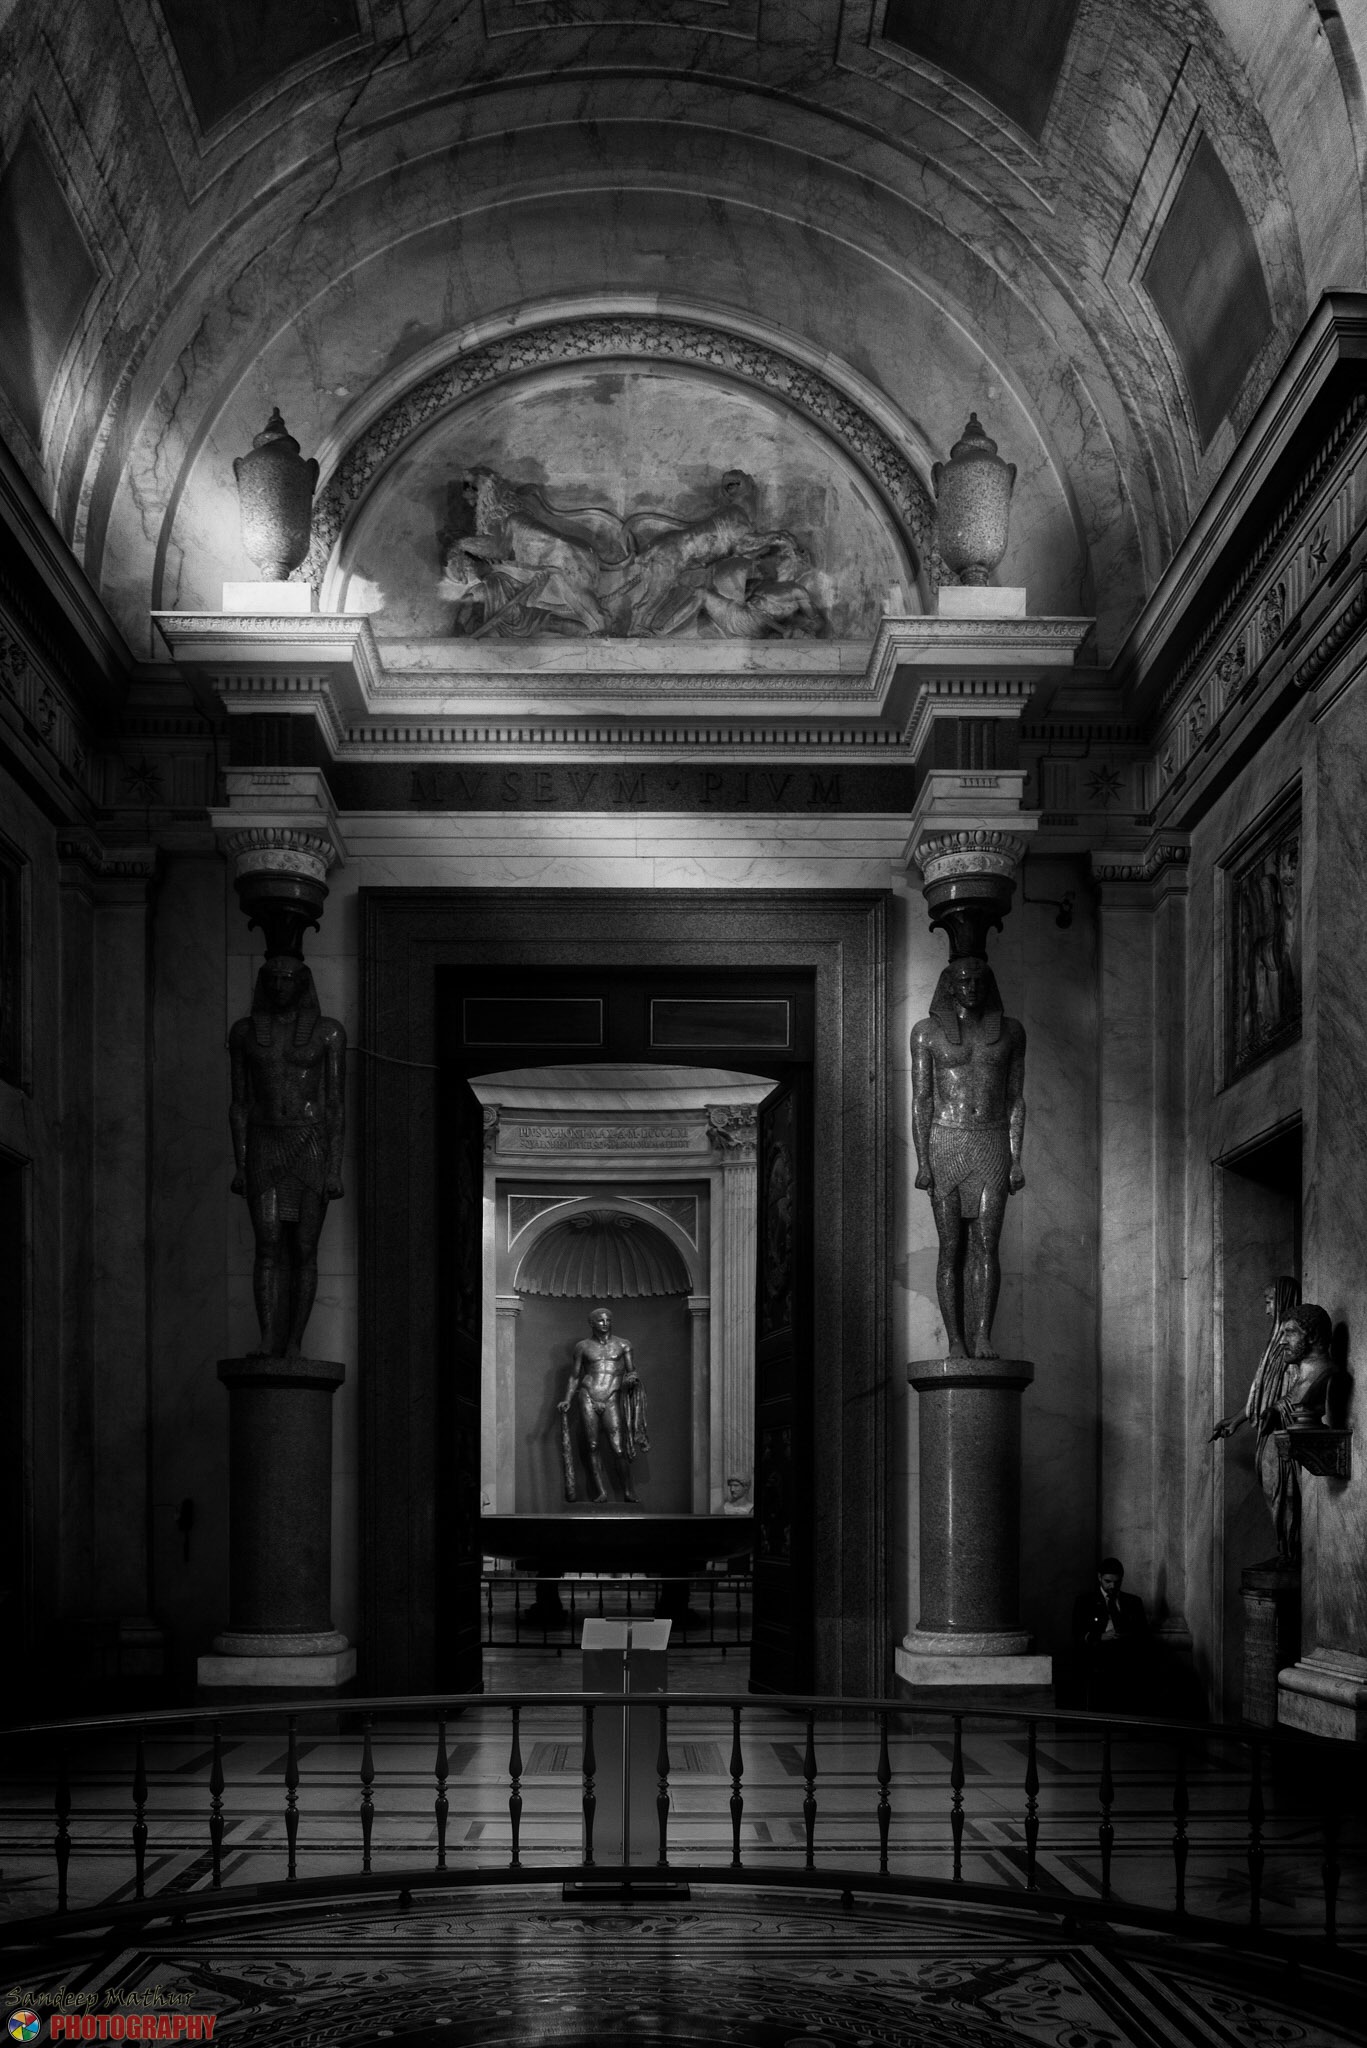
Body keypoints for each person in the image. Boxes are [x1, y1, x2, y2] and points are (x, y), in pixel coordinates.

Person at [229, 955, 346, 1358]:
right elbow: (239, 1103)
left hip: (310, 1140)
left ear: (302, 983)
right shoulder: (245, 1033)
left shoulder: (328, 1032)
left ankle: (296, 1341)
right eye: (273, 979)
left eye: (287, 979)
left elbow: (335, 1104)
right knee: (267, 1244)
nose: (280, 986)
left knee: (304, 1249)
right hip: (264, 1139)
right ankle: (266, 1338)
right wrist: (240, 1163)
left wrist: (334, 1168)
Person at [910, 955, 1026, 1359]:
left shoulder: (1011, 1032)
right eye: (963, 981)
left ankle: (982, 1335)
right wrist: (923, 1161)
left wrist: (1016, 1157)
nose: (971, 988)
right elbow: (922, 1100)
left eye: (978, 981)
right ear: (950, 986)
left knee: (987, 1244)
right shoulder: (926, 1033)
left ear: (989, 985)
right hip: (946, 1140)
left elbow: (1014, 1099)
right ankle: (955, 1339)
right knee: (951, 1248)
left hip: (992, 1139)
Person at [558, 1306, 648, 1503]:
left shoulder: (623, 1345)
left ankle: (628, 1491)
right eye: (600, 1320)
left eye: (608, 1320)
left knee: (618, 1448)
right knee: (592, 1445)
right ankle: (601, 1492)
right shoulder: (582, 1347)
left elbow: (631, 1371)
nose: (605, 1323)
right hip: (588, 1395)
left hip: (611, 1396)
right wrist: (567, 1399)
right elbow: (574, 1376)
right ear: (591, 1323)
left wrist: (632, 1379)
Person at [1071, 1557, 1149, 1710]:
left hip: (1127, 1658)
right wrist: (1100, 1636)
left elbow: (1143, 1633)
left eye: (1117, 1582)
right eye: (1108, 1581)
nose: (1112, 1586)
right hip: (1097, 1658)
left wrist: (1127, 1635)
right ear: (1099, 1577)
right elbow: (1077, 1633)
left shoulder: (1133, 1602)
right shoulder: (1085, 1601)